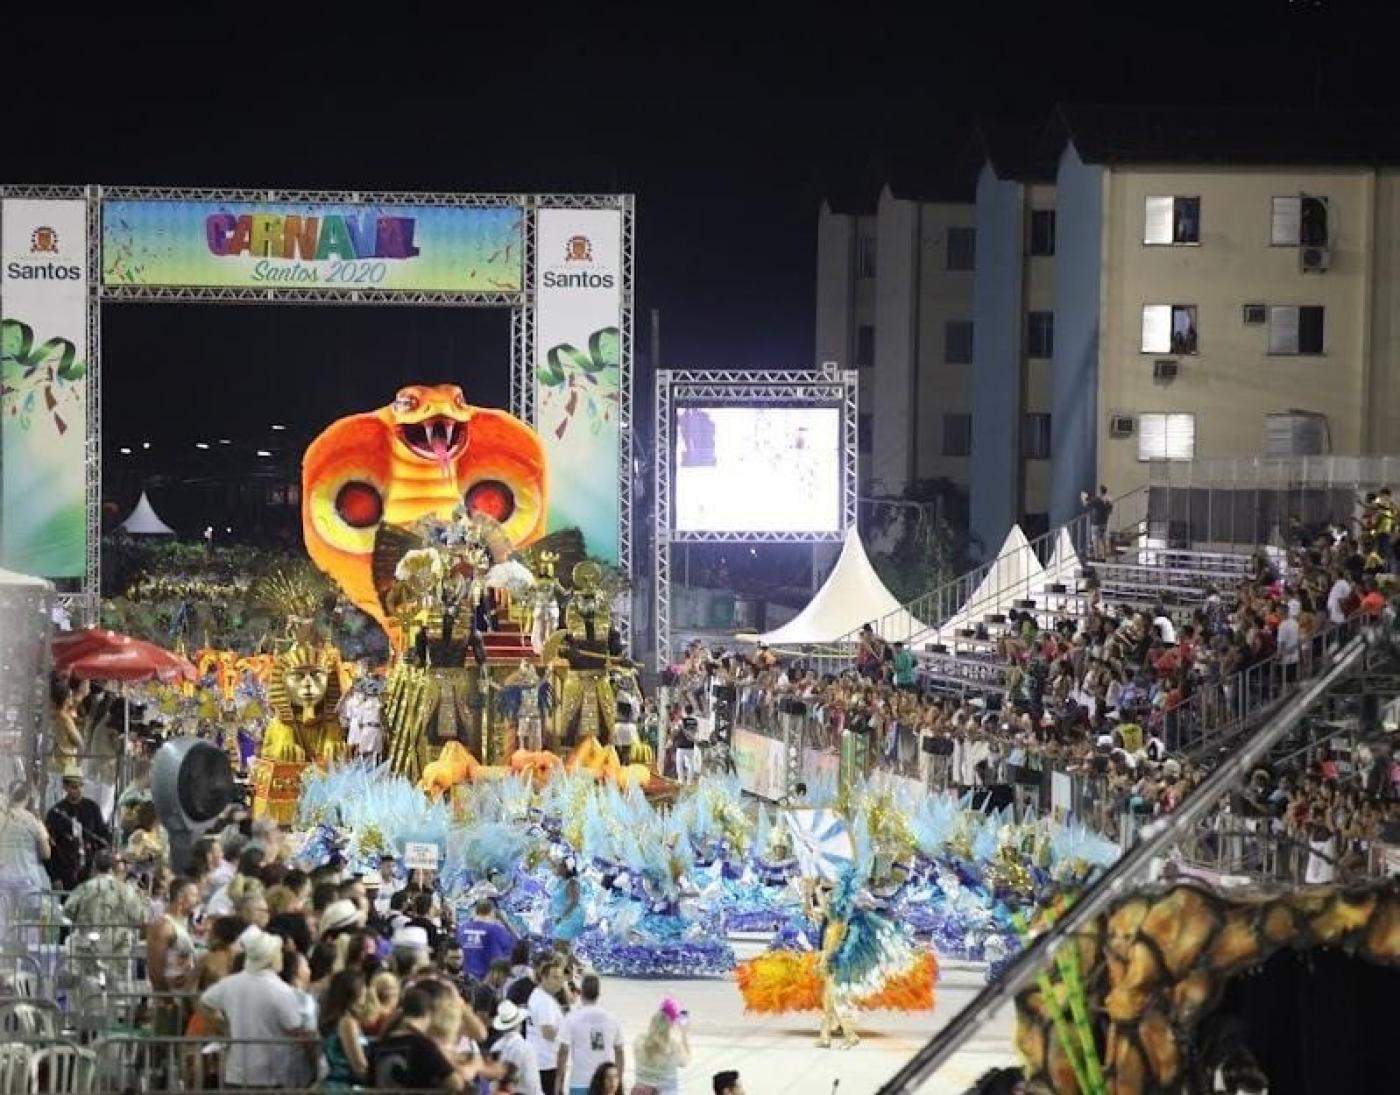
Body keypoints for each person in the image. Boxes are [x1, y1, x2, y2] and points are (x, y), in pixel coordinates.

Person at [200, 925, 314, 1088]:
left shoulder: (231, 983)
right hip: (271, 1075)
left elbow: (205, 1002)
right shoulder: (281, 990)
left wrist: (223, 1025)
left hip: (237, 1072)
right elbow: (294, 1026)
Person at [371, 979, 479, 1092]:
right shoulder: (423, 1045)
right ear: (428, 1013)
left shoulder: (378, 1045)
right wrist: (474, 1066)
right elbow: (455, 1083)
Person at [63, 850, 148, 971]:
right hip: (117, 951)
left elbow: (68, 911)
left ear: (94, 866)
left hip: (88, 948)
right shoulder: (127, 891)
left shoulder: (84, 888)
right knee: (117, 986)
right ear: (113, 867)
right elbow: (140, 917)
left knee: (88, 984)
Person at [45, 765, 110, 892]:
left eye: (80, 786)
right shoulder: (56, 813)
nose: (78, 790)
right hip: (65, 872)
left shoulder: (92, 809)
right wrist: (55, 877)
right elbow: (50, 848)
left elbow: (103, 838)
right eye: (74, 787)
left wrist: (100, 870)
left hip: (90, 871)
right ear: (65, 787)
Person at [556, 974, 624, 1095]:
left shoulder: (572, 1018)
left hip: (580, 1082)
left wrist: (559, 1083)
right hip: (606, 1084)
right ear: (598, 994)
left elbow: (563, 1053)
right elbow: (619, 1052)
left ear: (581, 993)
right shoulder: (612, 1018)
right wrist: (619, 1081)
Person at [148, 876, 199, 1035]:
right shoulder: (164, 926)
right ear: (181, 898)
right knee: (164, 1047)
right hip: (169, 1003)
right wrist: (168, 1001)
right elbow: (155, 969)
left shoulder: (184, 924)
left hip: (185, 999)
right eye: (194, 895)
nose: (197, 900)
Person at [320, 968, 371, 1089]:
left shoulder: (343, 1021)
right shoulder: (347, 1023)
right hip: (345, 1086)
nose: (366, 990)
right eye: (363, 986)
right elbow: (359, 1065)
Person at [630, 1001, 690, 1095]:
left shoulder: (639, 1042)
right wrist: (684, 1034)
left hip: (640, 1091)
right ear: (670, 1027)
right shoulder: (672, 1047)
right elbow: (685, 1061)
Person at [528, 958, 568, 1095]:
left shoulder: (539, 995)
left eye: (561, 978)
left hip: (541, 1060)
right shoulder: (544, 1002)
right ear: (543, 978)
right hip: (547, 1063)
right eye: (555, 978)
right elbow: (548, 1032)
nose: (559, 982)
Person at [492, 1000, 543, 1095]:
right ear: (518, 1024)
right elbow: (532, 1084)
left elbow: (493, 1082)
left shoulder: (495, 1047)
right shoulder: (526, 1048)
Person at [462, 897, 516, 981]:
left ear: (475, 912)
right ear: (493, 912)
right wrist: (505, 922)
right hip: (489, 981)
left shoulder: (461, 929)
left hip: (466, 980)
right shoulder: (497, 930)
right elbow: (517, 944)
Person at [550, 859, 585, 948]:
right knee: (560, 947)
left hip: (569, 919)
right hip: (562, 917)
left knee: (561, 947)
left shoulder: (572, 883)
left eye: (560, 865)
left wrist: (561, 917)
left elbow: (574, 902)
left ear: (565, 869)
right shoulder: (561, 880)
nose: (557, 867)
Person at [1085, 485, 1113, 561]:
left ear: (1099, 491)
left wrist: (1085, 500)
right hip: (1104, 522)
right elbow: (1110, 511)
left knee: (1095, 539)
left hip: (1096, 522)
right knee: (1103, 538)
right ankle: (1104, 556)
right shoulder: (1109, 499)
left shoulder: (1097, 499)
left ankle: (1097, 556)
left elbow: (1088, 506)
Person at [674, 706, 699, 784]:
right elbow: (696, 731)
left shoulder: (682, 721)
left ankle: (681, 780)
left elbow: (677, 730)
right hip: (691, 745)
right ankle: (689, 781)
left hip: (682, 745)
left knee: (679, 762)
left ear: (685, 711)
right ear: (692, 711)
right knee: (691, 763)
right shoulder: (695, 721)